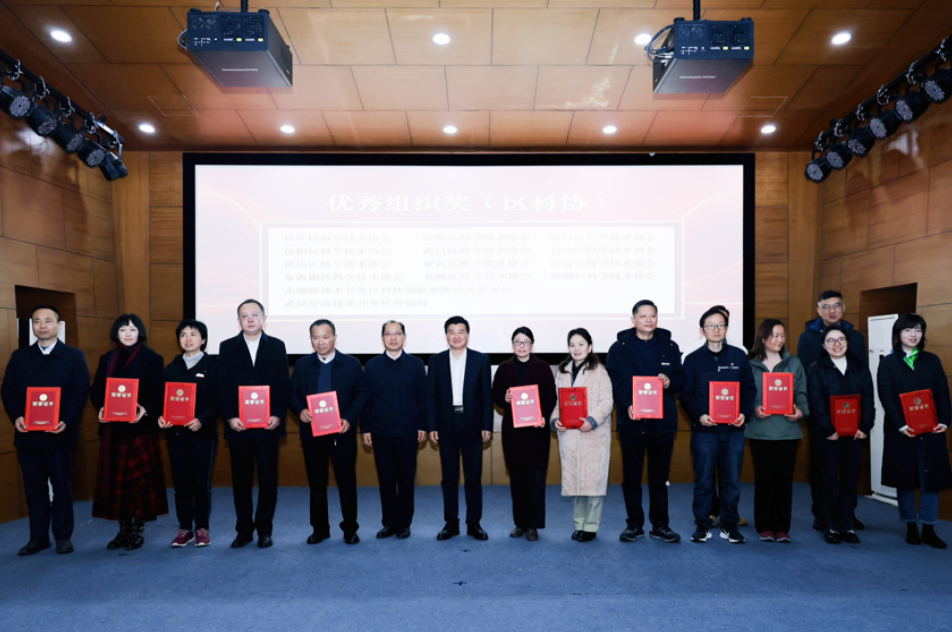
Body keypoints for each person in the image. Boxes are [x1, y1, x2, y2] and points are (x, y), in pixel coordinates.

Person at [1, 305, 90, 556]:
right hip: (28, 436)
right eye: (37, 321)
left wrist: (67, 420)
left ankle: (63, 536)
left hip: (60, 434)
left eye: (48, 321)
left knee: (62, 489)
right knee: (34, 490)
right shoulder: (20, 356)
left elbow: (80, 391)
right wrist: (17, 416)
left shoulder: (74, 356)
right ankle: (38, 538)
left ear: (59, 325)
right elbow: (8, 389)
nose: (42, 326)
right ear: (32, 326)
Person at [605, 300, 686, 544]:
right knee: (632, 477)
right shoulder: (618, 348)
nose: (649, 320)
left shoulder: (670, 346)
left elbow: (681, 377)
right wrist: (626, 405)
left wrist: (670, 382)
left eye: (653, 315)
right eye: (643, 316)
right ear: (633, 320)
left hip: (662, 423)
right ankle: (634, 525)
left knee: (659, 478)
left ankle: (660, 525)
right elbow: (614, 381)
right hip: (632, 420)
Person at [89, 314, 168, 551]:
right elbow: (96, 389)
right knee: (118, 481)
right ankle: (123, 530)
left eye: (133, 329)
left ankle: (137, 528)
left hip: (140, 427)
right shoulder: (107, 358)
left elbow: (159, 391)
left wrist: (144, 410)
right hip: (113, 429)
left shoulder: (153, 358)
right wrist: (101, 407)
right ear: (116, 333)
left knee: (140, 479)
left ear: (139, 332)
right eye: (123, 329)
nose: (128, 334)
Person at [218, 299, 290, 549]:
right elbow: (223, 385)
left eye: (255, 315)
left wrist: (278, 414)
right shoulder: (227, 347)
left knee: (268, 481)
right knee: (241, 482)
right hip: (239, 427)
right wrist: (230, 416)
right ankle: (244, 531)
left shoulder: (277, 346)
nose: (250, 319)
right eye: (245, 316)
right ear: (238, 320)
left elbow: (283, 383)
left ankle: (265, 531)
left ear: (263, 319)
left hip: (269, 426)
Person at [681, 306, 756, 544]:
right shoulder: (692, 359)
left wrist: (744, 413)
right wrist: (699, 415)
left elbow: (749, 389)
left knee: (731, 481)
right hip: (705, 431)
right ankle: (703, 525)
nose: (716, 329)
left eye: (720, 325)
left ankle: (729, 525)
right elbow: (686, 394)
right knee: (703, 481)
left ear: (726, 328)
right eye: (711, 325)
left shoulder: (739, 356)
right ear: (702, 330)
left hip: (733, 431)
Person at [875, 313, 951, 549]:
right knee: (905, 478)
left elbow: (943, 392)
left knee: (931, 479)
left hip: (931, 429)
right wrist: (900, 424)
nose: (913, 334)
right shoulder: (888, 362)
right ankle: (910, 526)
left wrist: (944, 421)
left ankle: (928, 528)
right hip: (902, 431)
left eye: (918, 329)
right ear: (899, 334)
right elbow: (886, 396)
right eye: (908, 330)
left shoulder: (932, 360)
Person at [290, 319, 368, 545]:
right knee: (317, 483)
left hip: (342, 433)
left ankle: (350, 528)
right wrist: (300, 410)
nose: (321, 342)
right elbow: (292, 393)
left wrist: (349, 418)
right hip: (312, 434)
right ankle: (320, 529)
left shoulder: (351, 363)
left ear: (335, 337)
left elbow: (362, 394)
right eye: (315, 337)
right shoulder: (303, 364)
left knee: (347, 482)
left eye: (325, 337)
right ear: (310, 339)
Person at [798, 289, 868, 532]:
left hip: (851, 416)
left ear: (843, 308)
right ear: (818, 310)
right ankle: (822, 513)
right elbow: (806, 377)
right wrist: (822, 415)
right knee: (822, 467)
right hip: (822, 415)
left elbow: (862, 375)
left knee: (850, 468)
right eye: (826, 306)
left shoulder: (855, 337)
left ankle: (847, 514)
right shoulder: (807, 337)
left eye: (836, 305)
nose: (832, 310)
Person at [807, 324, 875, 545]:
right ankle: (830, 526)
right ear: (823, 345)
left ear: (847, 342)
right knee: (829, 480)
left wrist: (865, 427)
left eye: (841, 340)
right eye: (831, 340)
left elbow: (868, 400)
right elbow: (816, 402)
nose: (836, 344)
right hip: (829, 435)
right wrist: (828, 429)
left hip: (855, 435)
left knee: (849, 480)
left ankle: (847, 526)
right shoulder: (817, 369)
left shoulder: (860, 367)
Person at [427, 316, 493, 541]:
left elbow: (486, 396)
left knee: (473, 476)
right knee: (449, 476)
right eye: (452, 332)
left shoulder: (481, 360)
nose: (456, 336)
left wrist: (486, 425)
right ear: (446, 335)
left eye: (461, 331)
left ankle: (474, 523)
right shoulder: (436, 361)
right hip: (446, 424)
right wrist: (432, 425)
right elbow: (431, 396)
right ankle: (451, 523)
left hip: (472, 423)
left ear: (467, 335)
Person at [362, 321, 427, 540]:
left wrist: (423, 425)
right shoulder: (372, 366)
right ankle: (389, 522)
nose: (393, 338)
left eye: (397, 333)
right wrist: (366, 428)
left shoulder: (416, 364)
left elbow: (422, 397)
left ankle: (404, 523)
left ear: (404, 337)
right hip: (381, 432)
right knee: (386, 481)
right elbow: (366, 400)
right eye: (388, 334)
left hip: (408, 431)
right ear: (382, 338)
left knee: (406, 480)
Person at [157, 319, 219, 548]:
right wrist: (161, 417)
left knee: (201, 484)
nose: (188, 338)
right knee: (181, 484)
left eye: (193, 334)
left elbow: (219, 401)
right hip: (176, 435)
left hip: (203, 434)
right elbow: (162, 400)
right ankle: (185, 528)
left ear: (203, 339)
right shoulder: (171, 368)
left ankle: (202, 528)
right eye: (183, 335)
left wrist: (202, 420)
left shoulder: (214, 366)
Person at [491, 327, 557, 542]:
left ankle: (533, 526)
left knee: (536, 479)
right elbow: (496, 395)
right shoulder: (504, 368)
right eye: (518, 342)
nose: (522, 346)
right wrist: (504, 398)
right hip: (514, 433)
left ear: (532, 345)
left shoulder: (543, 367)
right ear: (512, 345)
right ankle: (520, 523)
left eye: (525, 342)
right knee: (518, 480)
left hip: (536, 431)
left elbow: (550, 397)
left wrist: (542, 416)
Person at [746, 319, 808, 543]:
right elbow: (745, 395)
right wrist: (754, 409)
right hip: (760, 431)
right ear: (763, 338)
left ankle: (782, 527)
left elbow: (801, 393)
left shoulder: (794, 363)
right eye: (774, 335)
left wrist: (800, 411)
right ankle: (764, 526)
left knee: (783, 481)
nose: (779, 340)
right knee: (764, 480)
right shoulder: (750, 364)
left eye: (782, 335)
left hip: (787, 431)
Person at [551, 328, 613, 542]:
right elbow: (558, 403)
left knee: (593, 483)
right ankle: (579, 524)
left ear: (590, 346)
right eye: (572, 345)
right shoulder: (563, 371)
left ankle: (591, 526)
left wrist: (592, 420)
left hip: (593, 434)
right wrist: (555, 420)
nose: (576, 349)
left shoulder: (599, 371)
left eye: (581, 344)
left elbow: (607, 402)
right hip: (570, 435)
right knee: (576, 483)